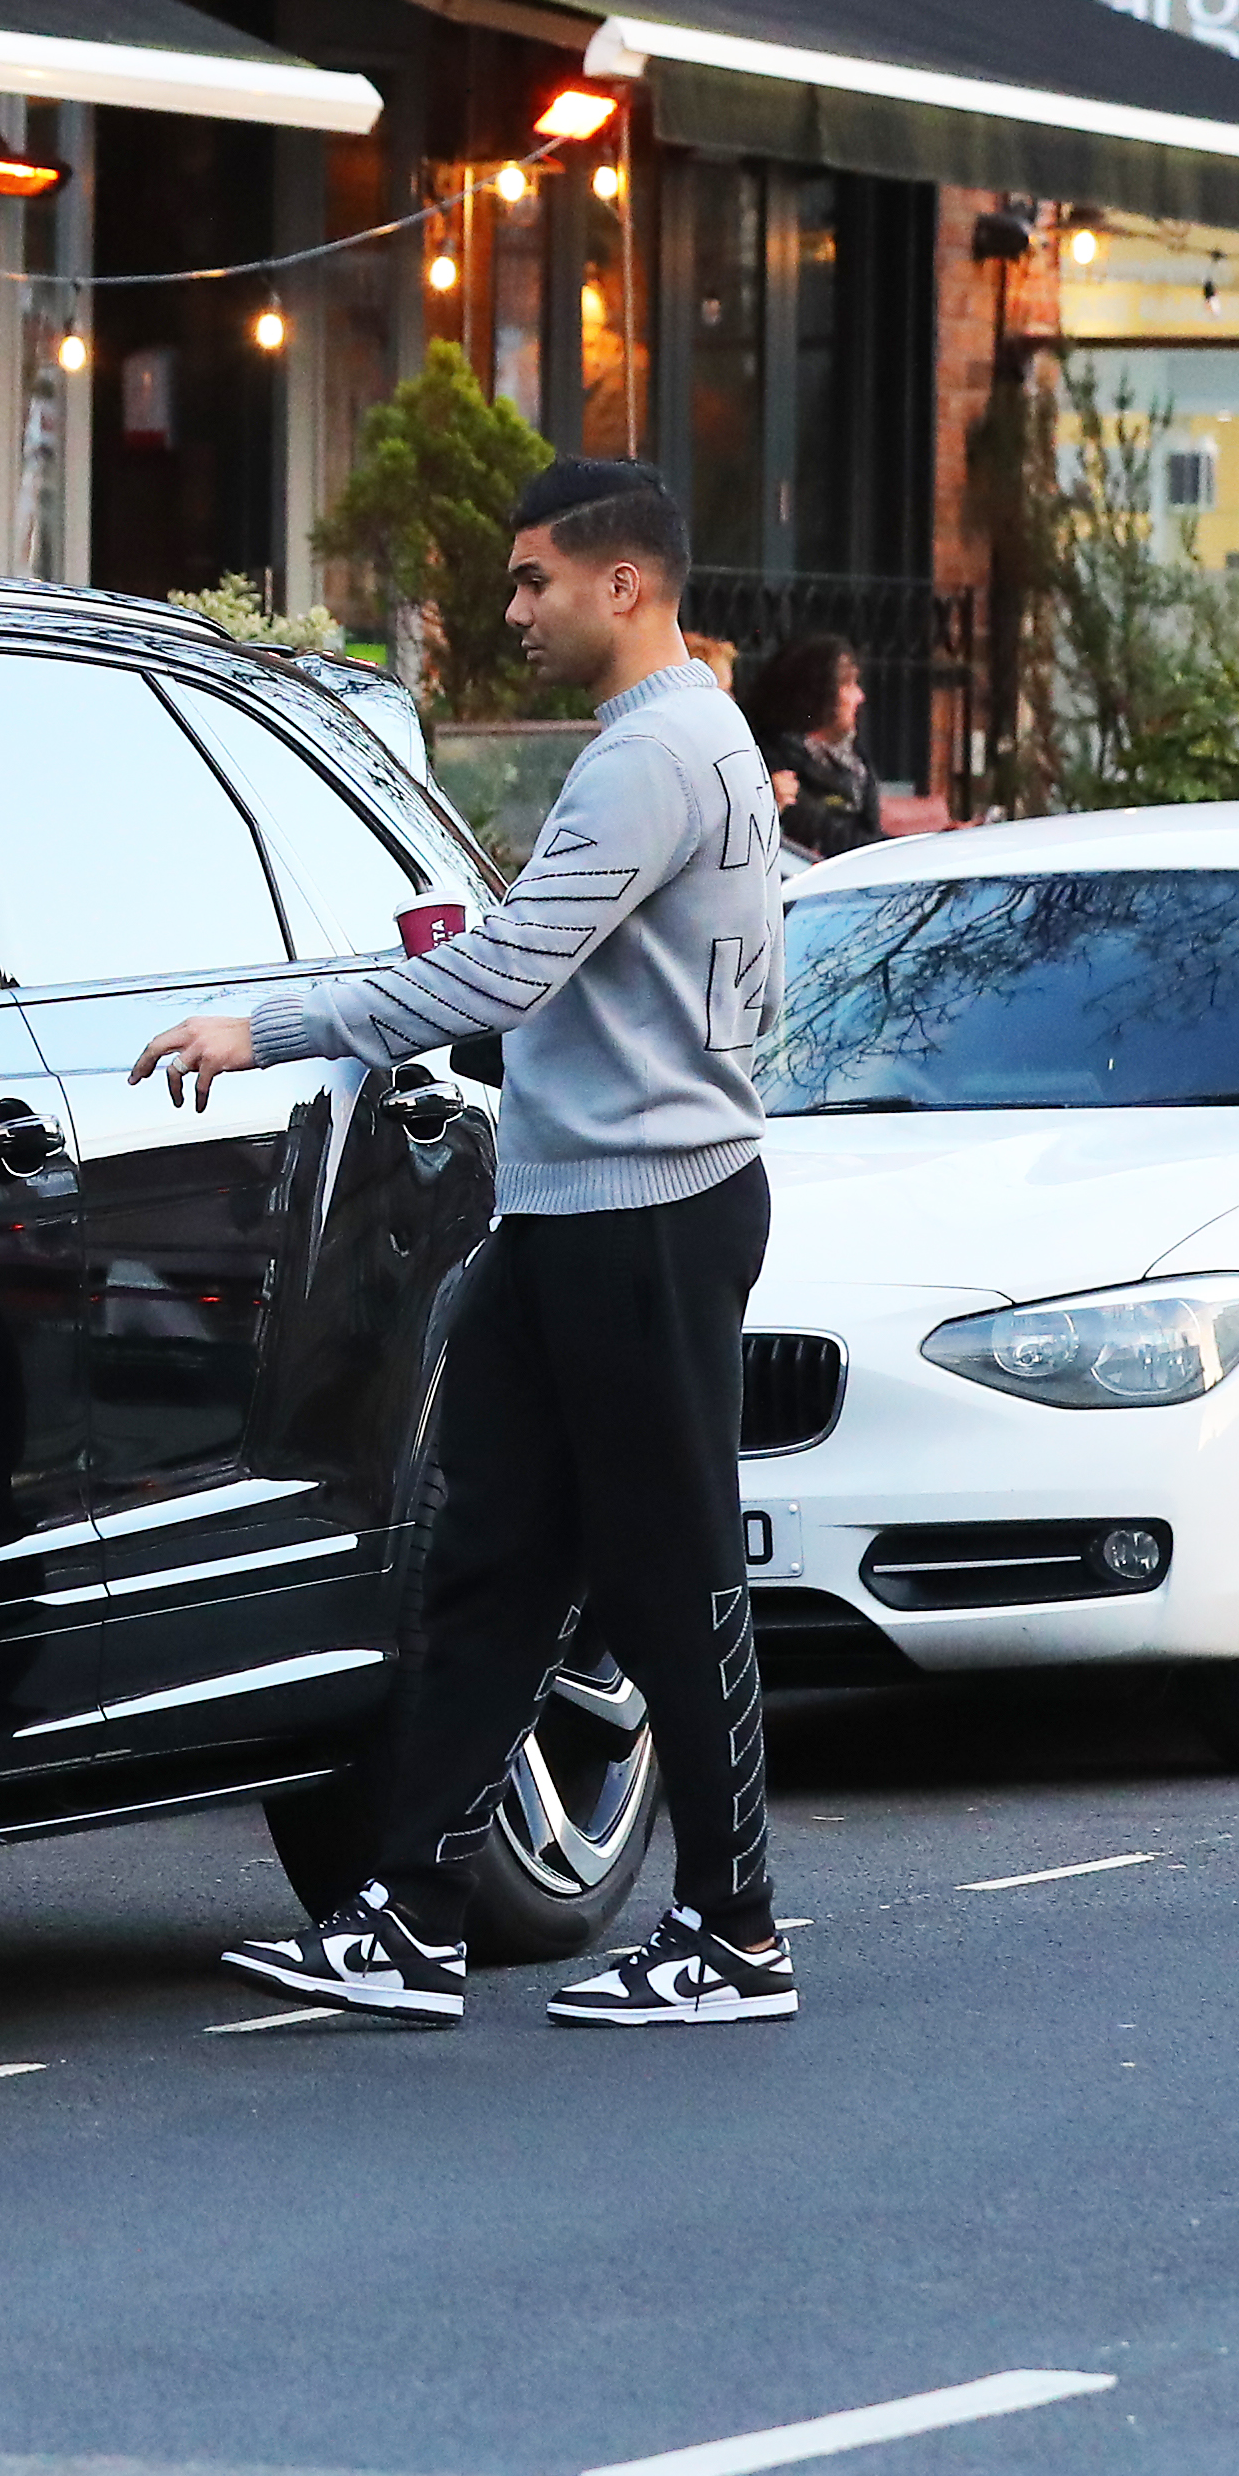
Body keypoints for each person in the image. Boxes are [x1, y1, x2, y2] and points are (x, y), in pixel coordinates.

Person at [130, 456, 795, 2028]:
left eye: (531, 581)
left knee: (670, 1570)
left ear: (621, 583)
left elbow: (501, 974)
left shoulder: (658, 752)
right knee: (493, 1557)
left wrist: (272, 1024)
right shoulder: (677, 740)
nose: (512, 609)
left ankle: (734, 1927)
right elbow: (574, 980)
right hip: (575, 1209)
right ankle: (408, 1911)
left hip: (641, 1216)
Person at [744, 634, 878, 858]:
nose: (860, 696)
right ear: (815, 692)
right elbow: (837, 840)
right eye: (848, 683)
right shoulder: (777, 767)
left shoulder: (854, 762)